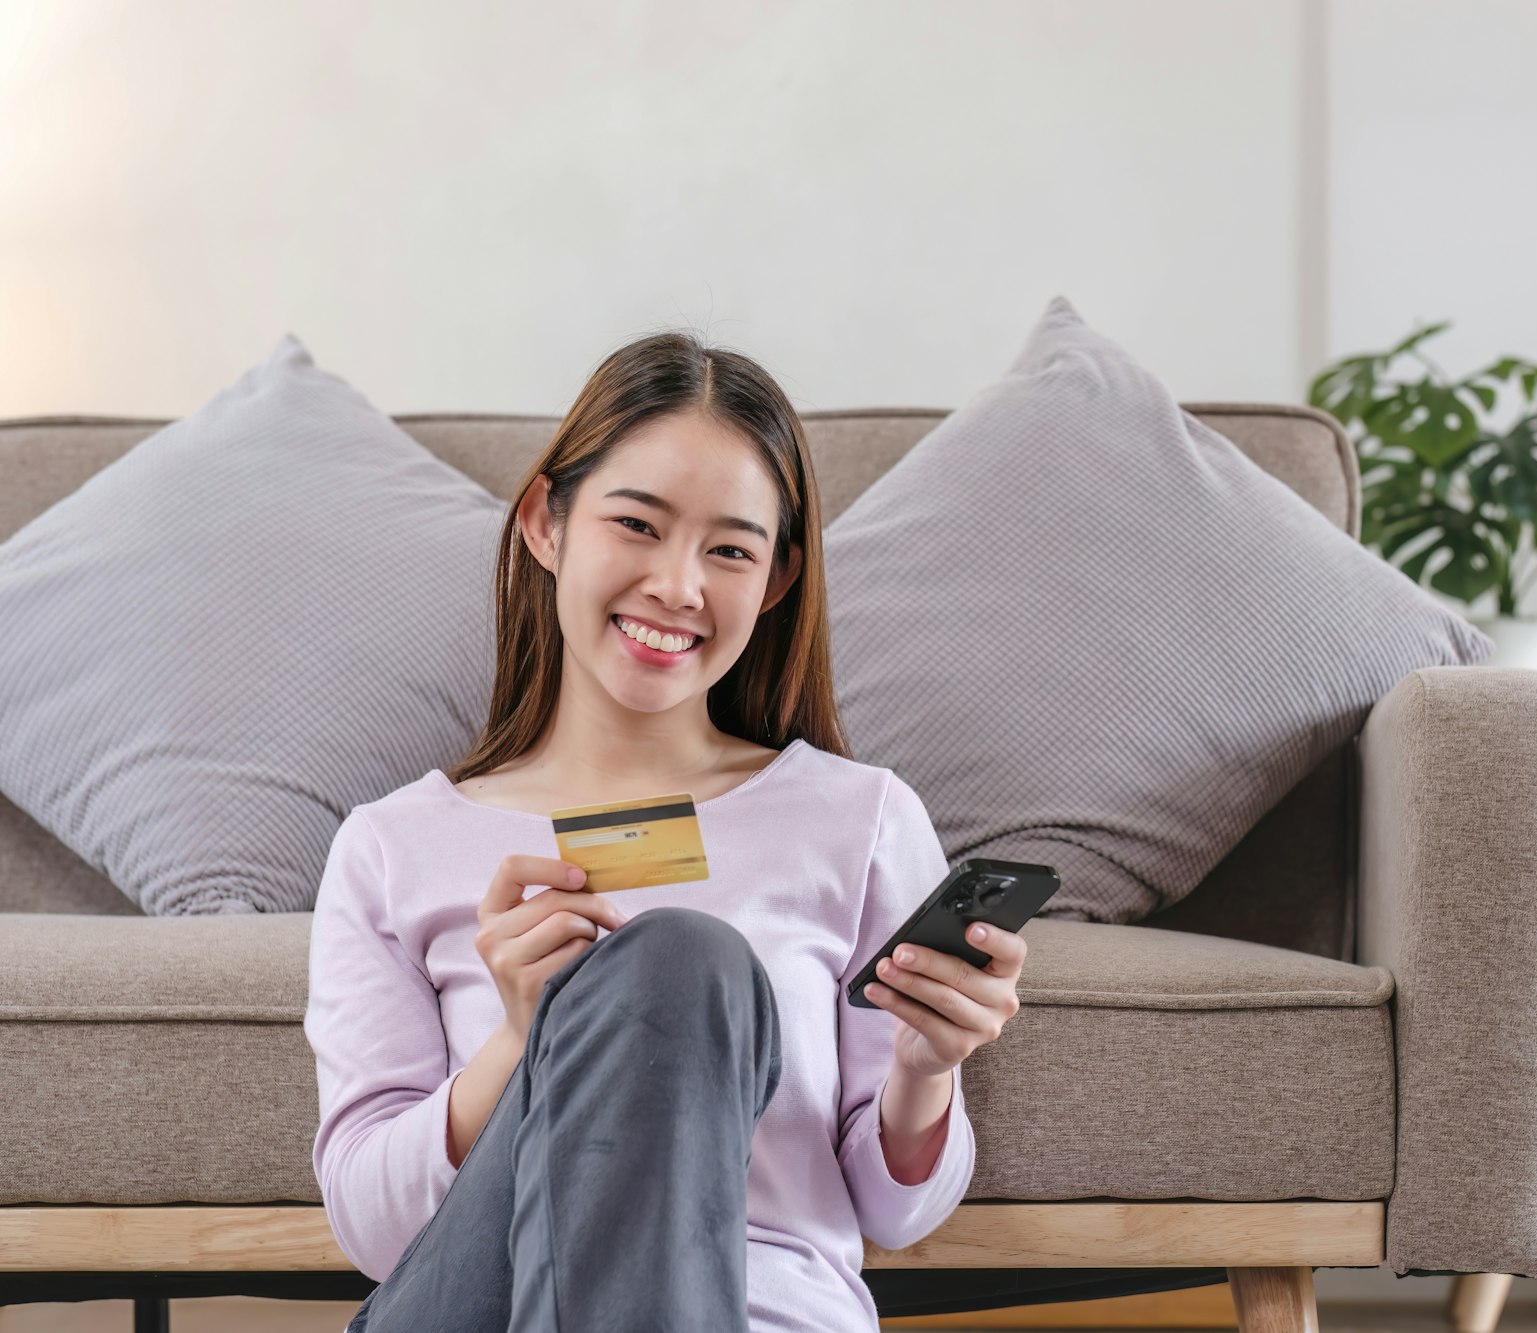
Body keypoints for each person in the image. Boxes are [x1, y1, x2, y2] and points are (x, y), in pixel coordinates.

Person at [303, 329, 1026, 1332]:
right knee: (675, 964)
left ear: (774, 581)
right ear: (544, 525)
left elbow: (892, 1211)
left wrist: (924, 1069)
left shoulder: (858, 821)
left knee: (684, 967)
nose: (677, 586)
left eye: (727, 549)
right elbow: (376, 1235)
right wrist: (523, 1039)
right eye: (637, 525)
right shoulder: (392, 846)